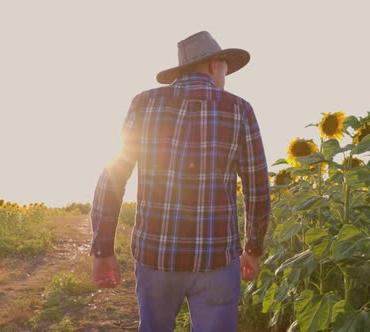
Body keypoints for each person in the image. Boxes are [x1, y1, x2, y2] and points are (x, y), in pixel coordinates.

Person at [89, 31, 271, 332]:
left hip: (155, 256)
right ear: (214, 65)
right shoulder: (239, 109)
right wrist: (253, 248)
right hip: (216, 260)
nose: (226, 75)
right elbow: (258, 187)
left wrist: (103, 249)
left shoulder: (144, 104)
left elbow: (112, 178)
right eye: (226, 66)